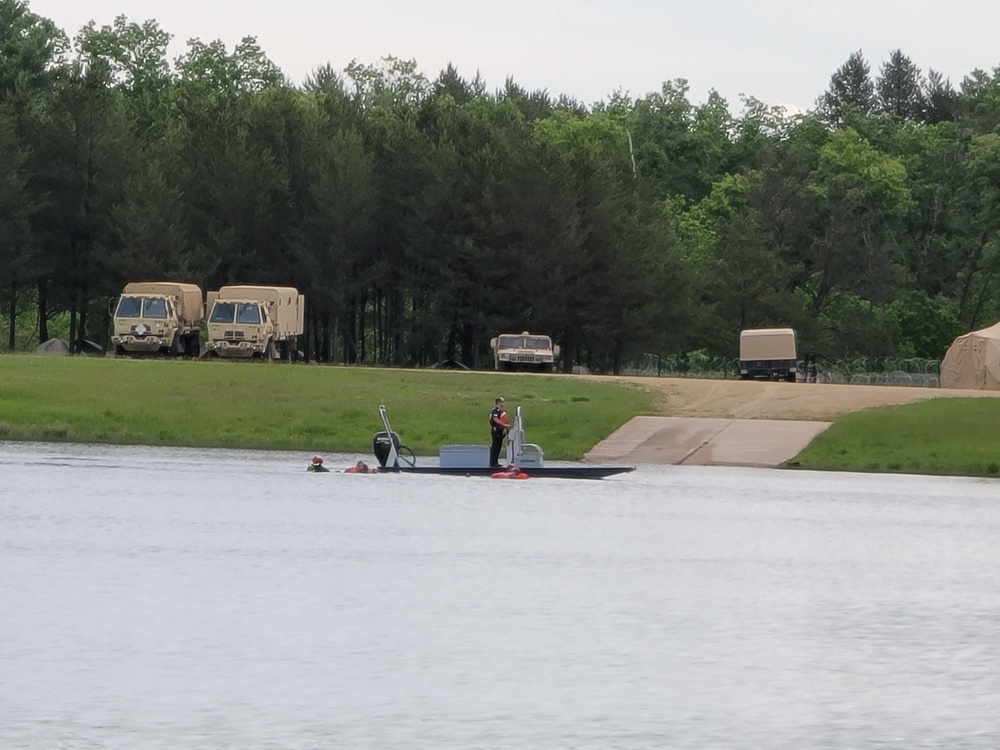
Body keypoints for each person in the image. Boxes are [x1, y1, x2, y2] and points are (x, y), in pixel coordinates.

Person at [489, 397, 510, 468]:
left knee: (498, 446)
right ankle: (492, 463)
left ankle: (496, 462)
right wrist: (504, 425)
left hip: (500, 430)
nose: (503, 404)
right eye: (502, 402)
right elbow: (495, 419)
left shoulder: (501, 411)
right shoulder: (496, 411)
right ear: (498, 402)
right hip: (496, 430)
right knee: (495, 446)